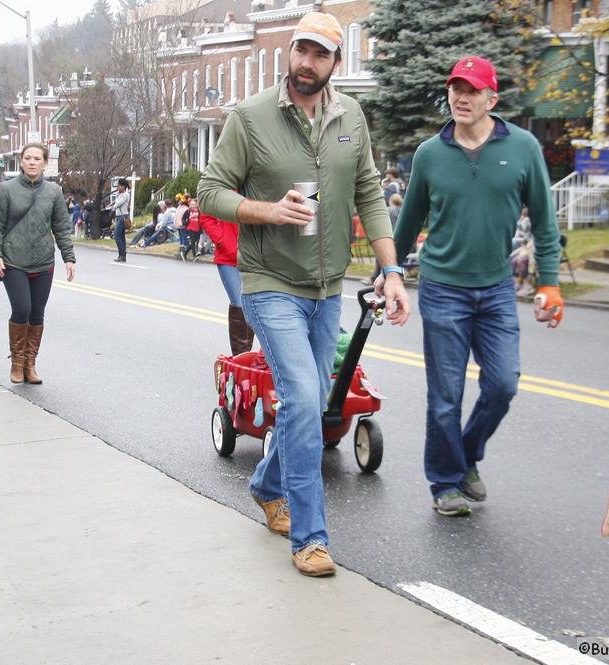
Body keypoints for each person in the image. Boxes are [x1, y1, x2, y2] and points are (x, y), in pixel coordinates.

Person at [198, 10, 411, 577]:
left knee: (315, 402)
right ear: (288, 53)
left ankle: (266, 483)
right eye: (301, 51)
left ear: (335, 63)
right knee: (298, 397)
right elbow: (209, 193)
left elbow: (369, 193)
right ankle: (310, 539)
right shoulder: (250, 117)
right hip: (269, 283)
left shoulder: (351, 116)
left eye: (320, 54)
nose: (307, 62)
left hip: (327, 286)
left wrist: (391, 271)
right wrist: (268, 210)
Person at [389, 55, 563, 518]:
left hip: (497, 288)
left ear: (492, 98)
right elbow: (406, 225)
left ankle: (466, 456)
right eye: (455, 89)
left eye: (472, 90)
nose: (461, 98)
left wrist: (550, 283)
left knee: (503, 385)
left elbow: (545, 224)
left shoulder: (523, 148)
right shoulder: (430, 154)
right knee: (445, 396)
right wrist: (388, 275)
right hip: (443, 288)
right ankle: (445, 482)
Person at [0, 143, 76, 385]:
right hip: (13, 261)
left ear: (45, 163)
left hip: (43, 261)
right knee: (22, 309)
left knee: (37, 313)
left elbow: (61, 227)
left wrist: (69, 257)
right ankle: (16, 362)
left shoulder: (54, 192)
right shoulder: (6, 190)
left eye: (37, 158)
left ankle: (30, 364)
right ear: (21, 161)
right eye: (28, 158)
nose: (32, 162)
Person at [198, 209, 254, 354]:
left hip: (258, 257)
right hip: (229, 257)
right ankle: (240, 359)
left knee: (255, 305)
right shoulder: (226, 186)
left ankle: (256, 362)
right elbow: (205, 216)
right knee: (240, 304)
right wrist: (223, 239)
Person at [112, 178, 130, 263]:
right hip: (120, 216)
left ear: (124, 186)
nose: (118, 187)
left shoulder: (125, 194)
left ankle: (122, 253)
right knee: (121, 236)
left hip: (122, 217)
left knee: (116, 236)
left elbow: (117, 204)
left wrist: (117, 197)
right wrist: (117, 196)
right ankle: (122, 255)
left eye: (120, 185)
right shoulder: (121, 194)